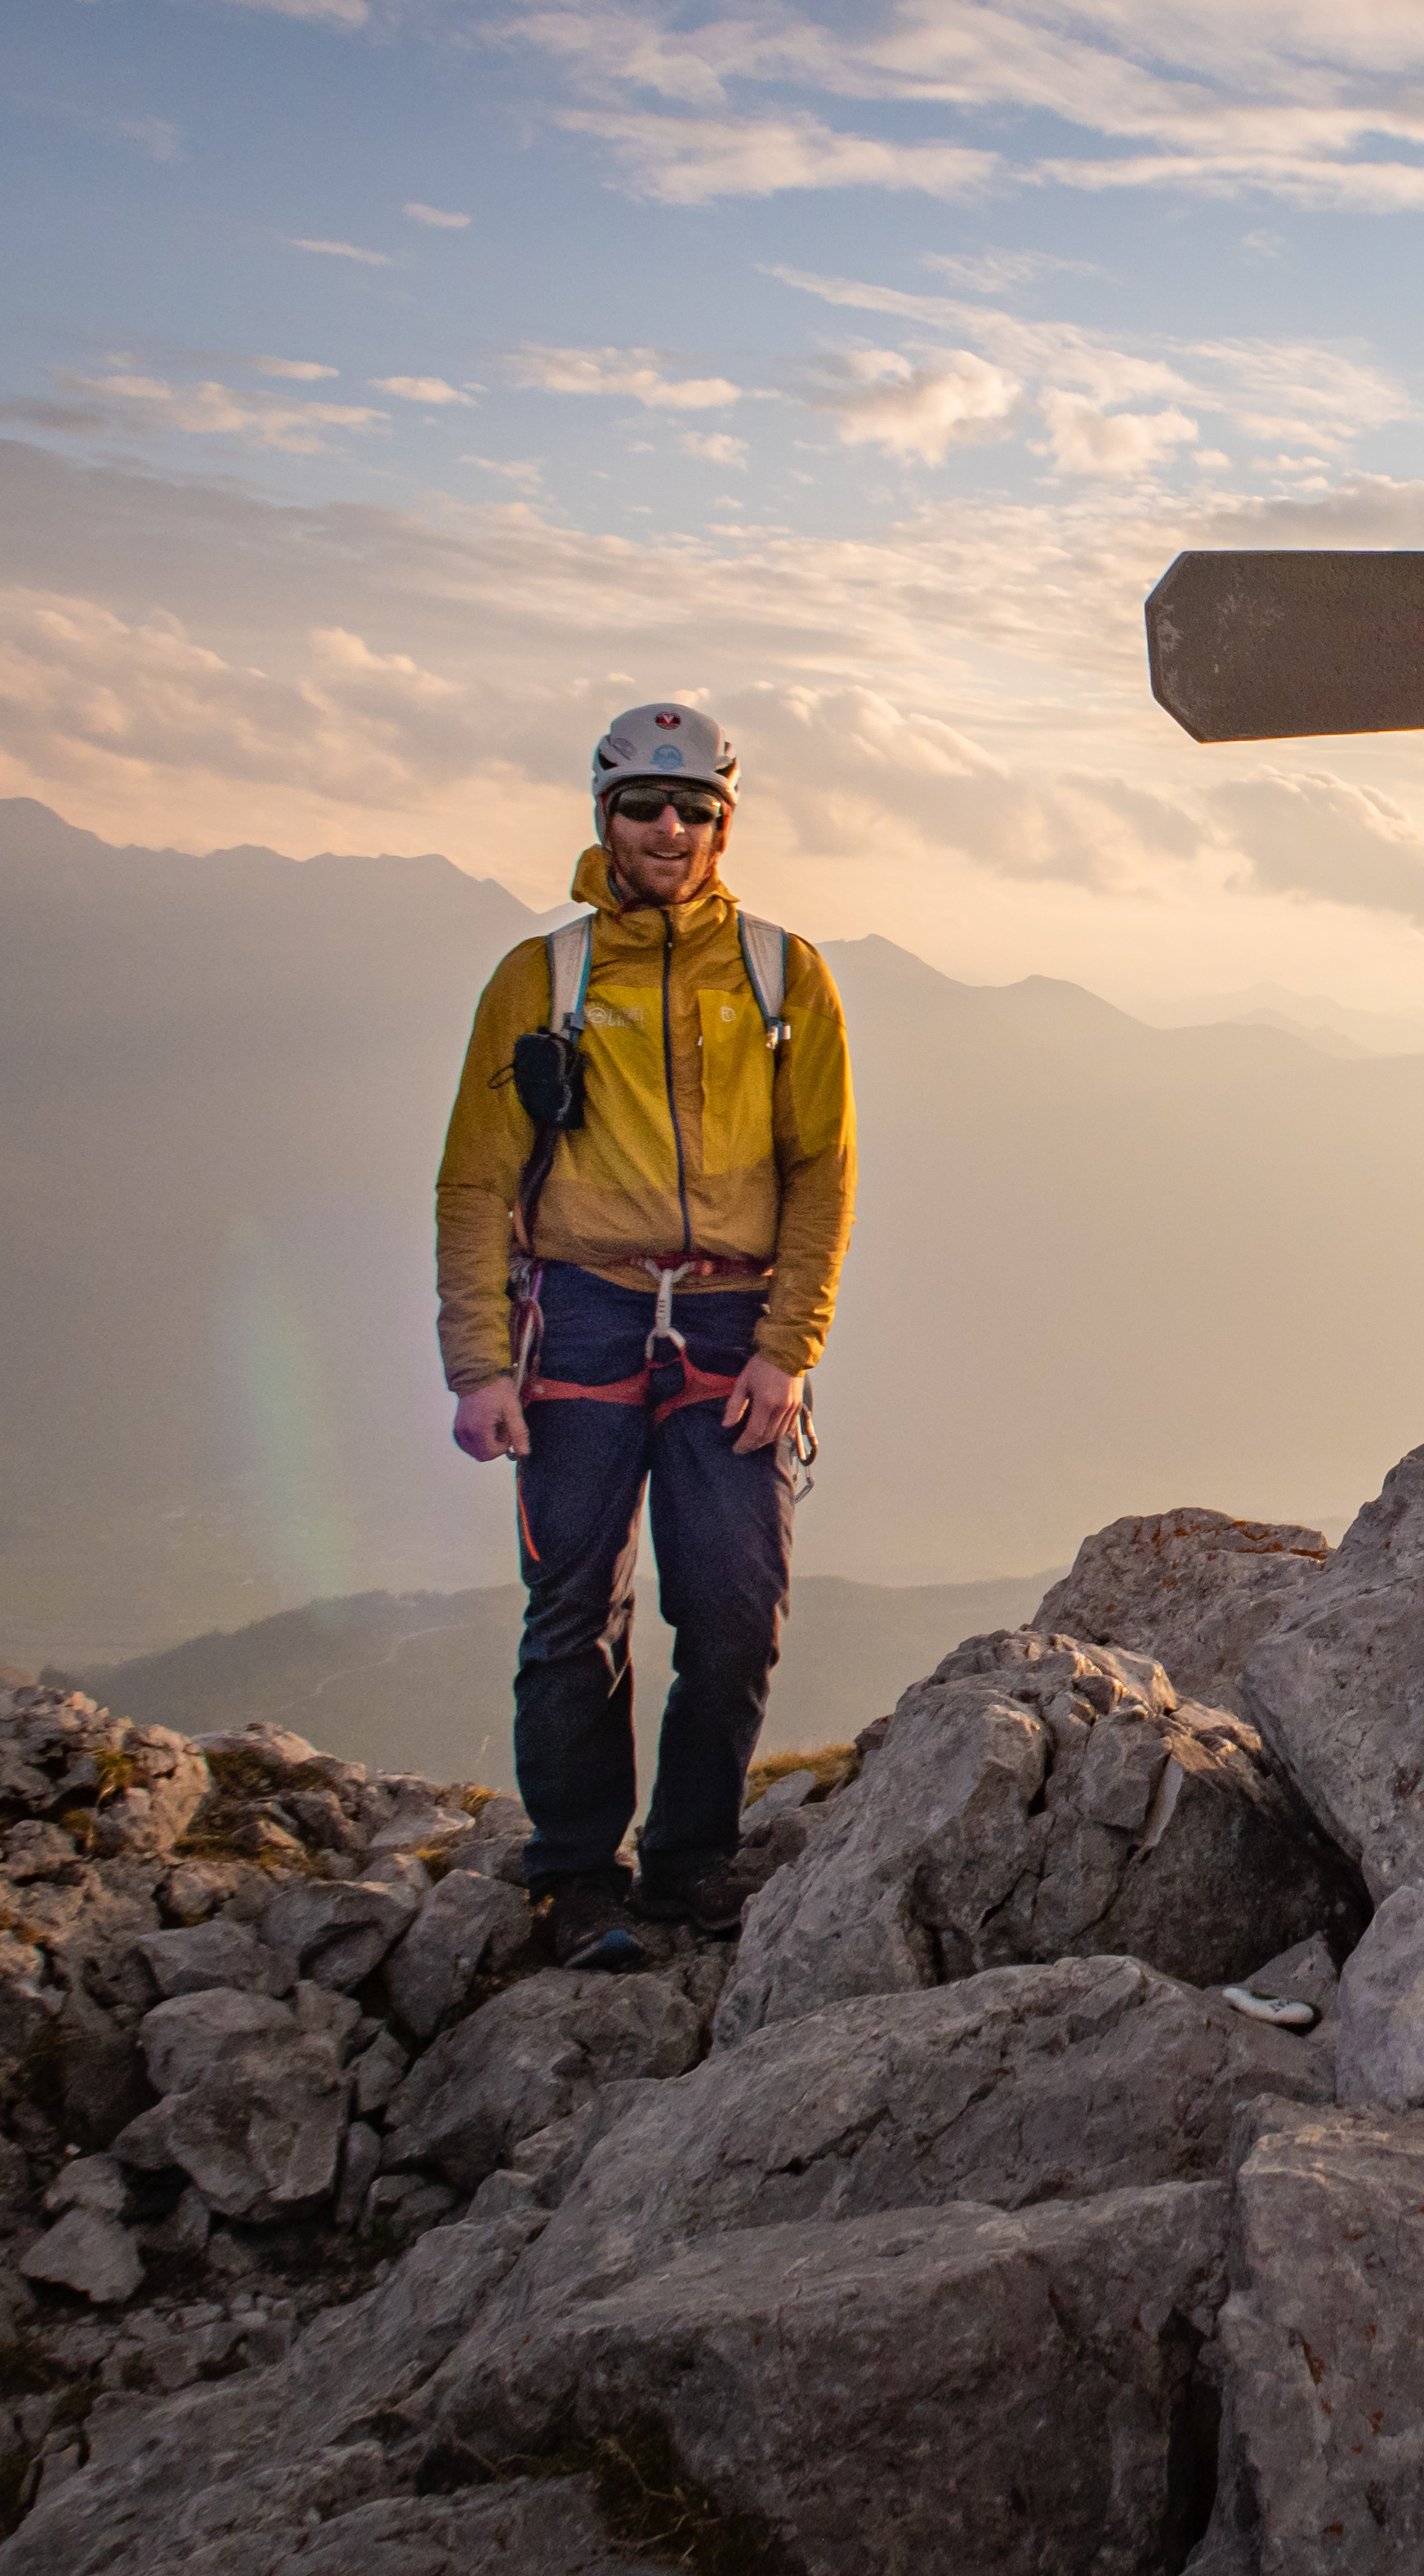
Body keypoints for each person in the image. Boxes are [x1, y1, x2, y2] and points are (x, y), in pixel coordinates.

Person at [434, 704, 855, 1970]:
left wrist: (791, 1346)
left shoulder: (784, 974)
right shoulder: (542, 977)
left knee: (733, 1609)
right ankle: (578, 1872)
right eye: (641, 807)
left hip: (733, 1316)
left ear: (725, 824)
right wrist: (475, 1365)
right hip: (580, 1308)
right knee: (572, 1609)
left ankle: (688, 1860)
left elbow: (823, 1171)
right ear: (602, 817)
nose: (666, 829)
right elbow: (474, 1177)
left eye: (692, 810)